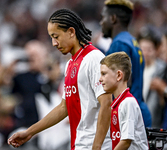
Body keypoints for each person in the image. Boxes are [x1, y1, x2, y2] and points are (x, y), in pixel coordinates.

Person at [8, 8, 112, 150]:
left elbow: (106, 104)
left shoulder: (94, 58)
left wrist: (97, 146)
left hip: (98, 144)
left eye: (56, 36)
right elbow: (64, 108)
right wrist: (29, 132)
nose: (53, 43)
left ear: (71, 32)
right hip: (79, 143)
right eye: (51, 37)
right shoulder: (70, 64)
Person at [100, 0, 152, 127]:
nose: (101, 22)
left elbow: (121, 83)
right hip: (139, 111)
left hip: (128, 117)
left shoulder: (119, 44)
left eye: (103, 17)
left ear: (112, 18)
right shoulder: (133, 42)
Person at [99, 51, 149, 150]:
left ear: (118, 75)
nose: (100, 79)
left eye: (104, 74)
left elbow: (126, 141)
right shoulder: (117, 103)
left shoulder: (128, 102)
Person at [137, 25, 166, 128]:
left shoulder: (163, 70)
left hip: (156, 123)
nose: (145, 53)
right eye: (142, 49)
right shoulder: (134, 68)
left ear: (156, 50)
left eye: (149, 49)